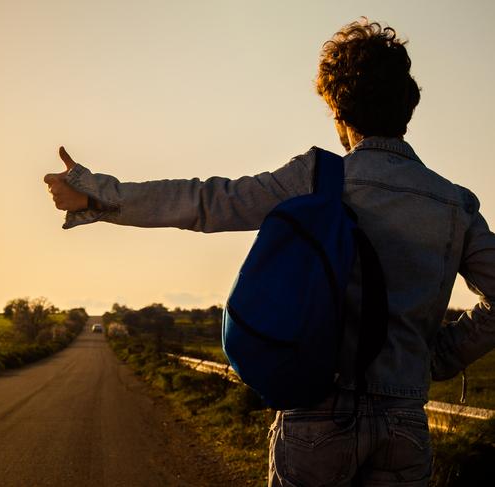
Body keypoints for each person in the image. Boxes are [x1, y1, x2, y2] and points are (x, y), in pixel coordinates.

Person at [44, 18, 495, 487]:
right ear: (409, 105)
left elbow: (206, 202)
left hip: (316, 418)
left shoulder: (317, 179)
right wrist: (439, 356)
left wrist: (96, 195)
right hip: (404, 425)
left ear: (338, 109)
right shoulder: (454, 202)